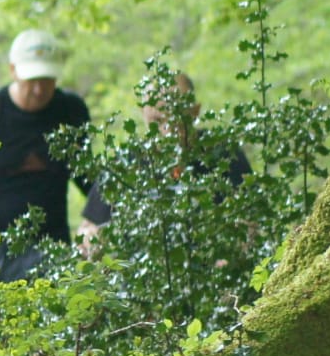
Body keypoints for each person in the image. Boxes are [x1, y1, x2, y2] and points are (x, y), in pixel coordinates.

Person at [0, 29, 93, 314]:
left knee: (55, 347)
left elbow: (95, 180)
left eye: (46, 79)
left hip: (51, 251)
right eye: (32, 79)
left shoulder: (70, 113)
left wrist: (94, 221)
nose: (39, 89)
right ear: (13, 71)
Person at [77, 72, 251, 239]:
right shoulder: (123, 164)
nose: (167, 131)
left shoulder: (225, 154)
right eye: (157, 121)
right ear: (143, 114)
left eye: (177, 120)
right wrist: (91, 240)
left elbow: (250, 220)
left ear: (195, 112)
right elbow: (88, 228)